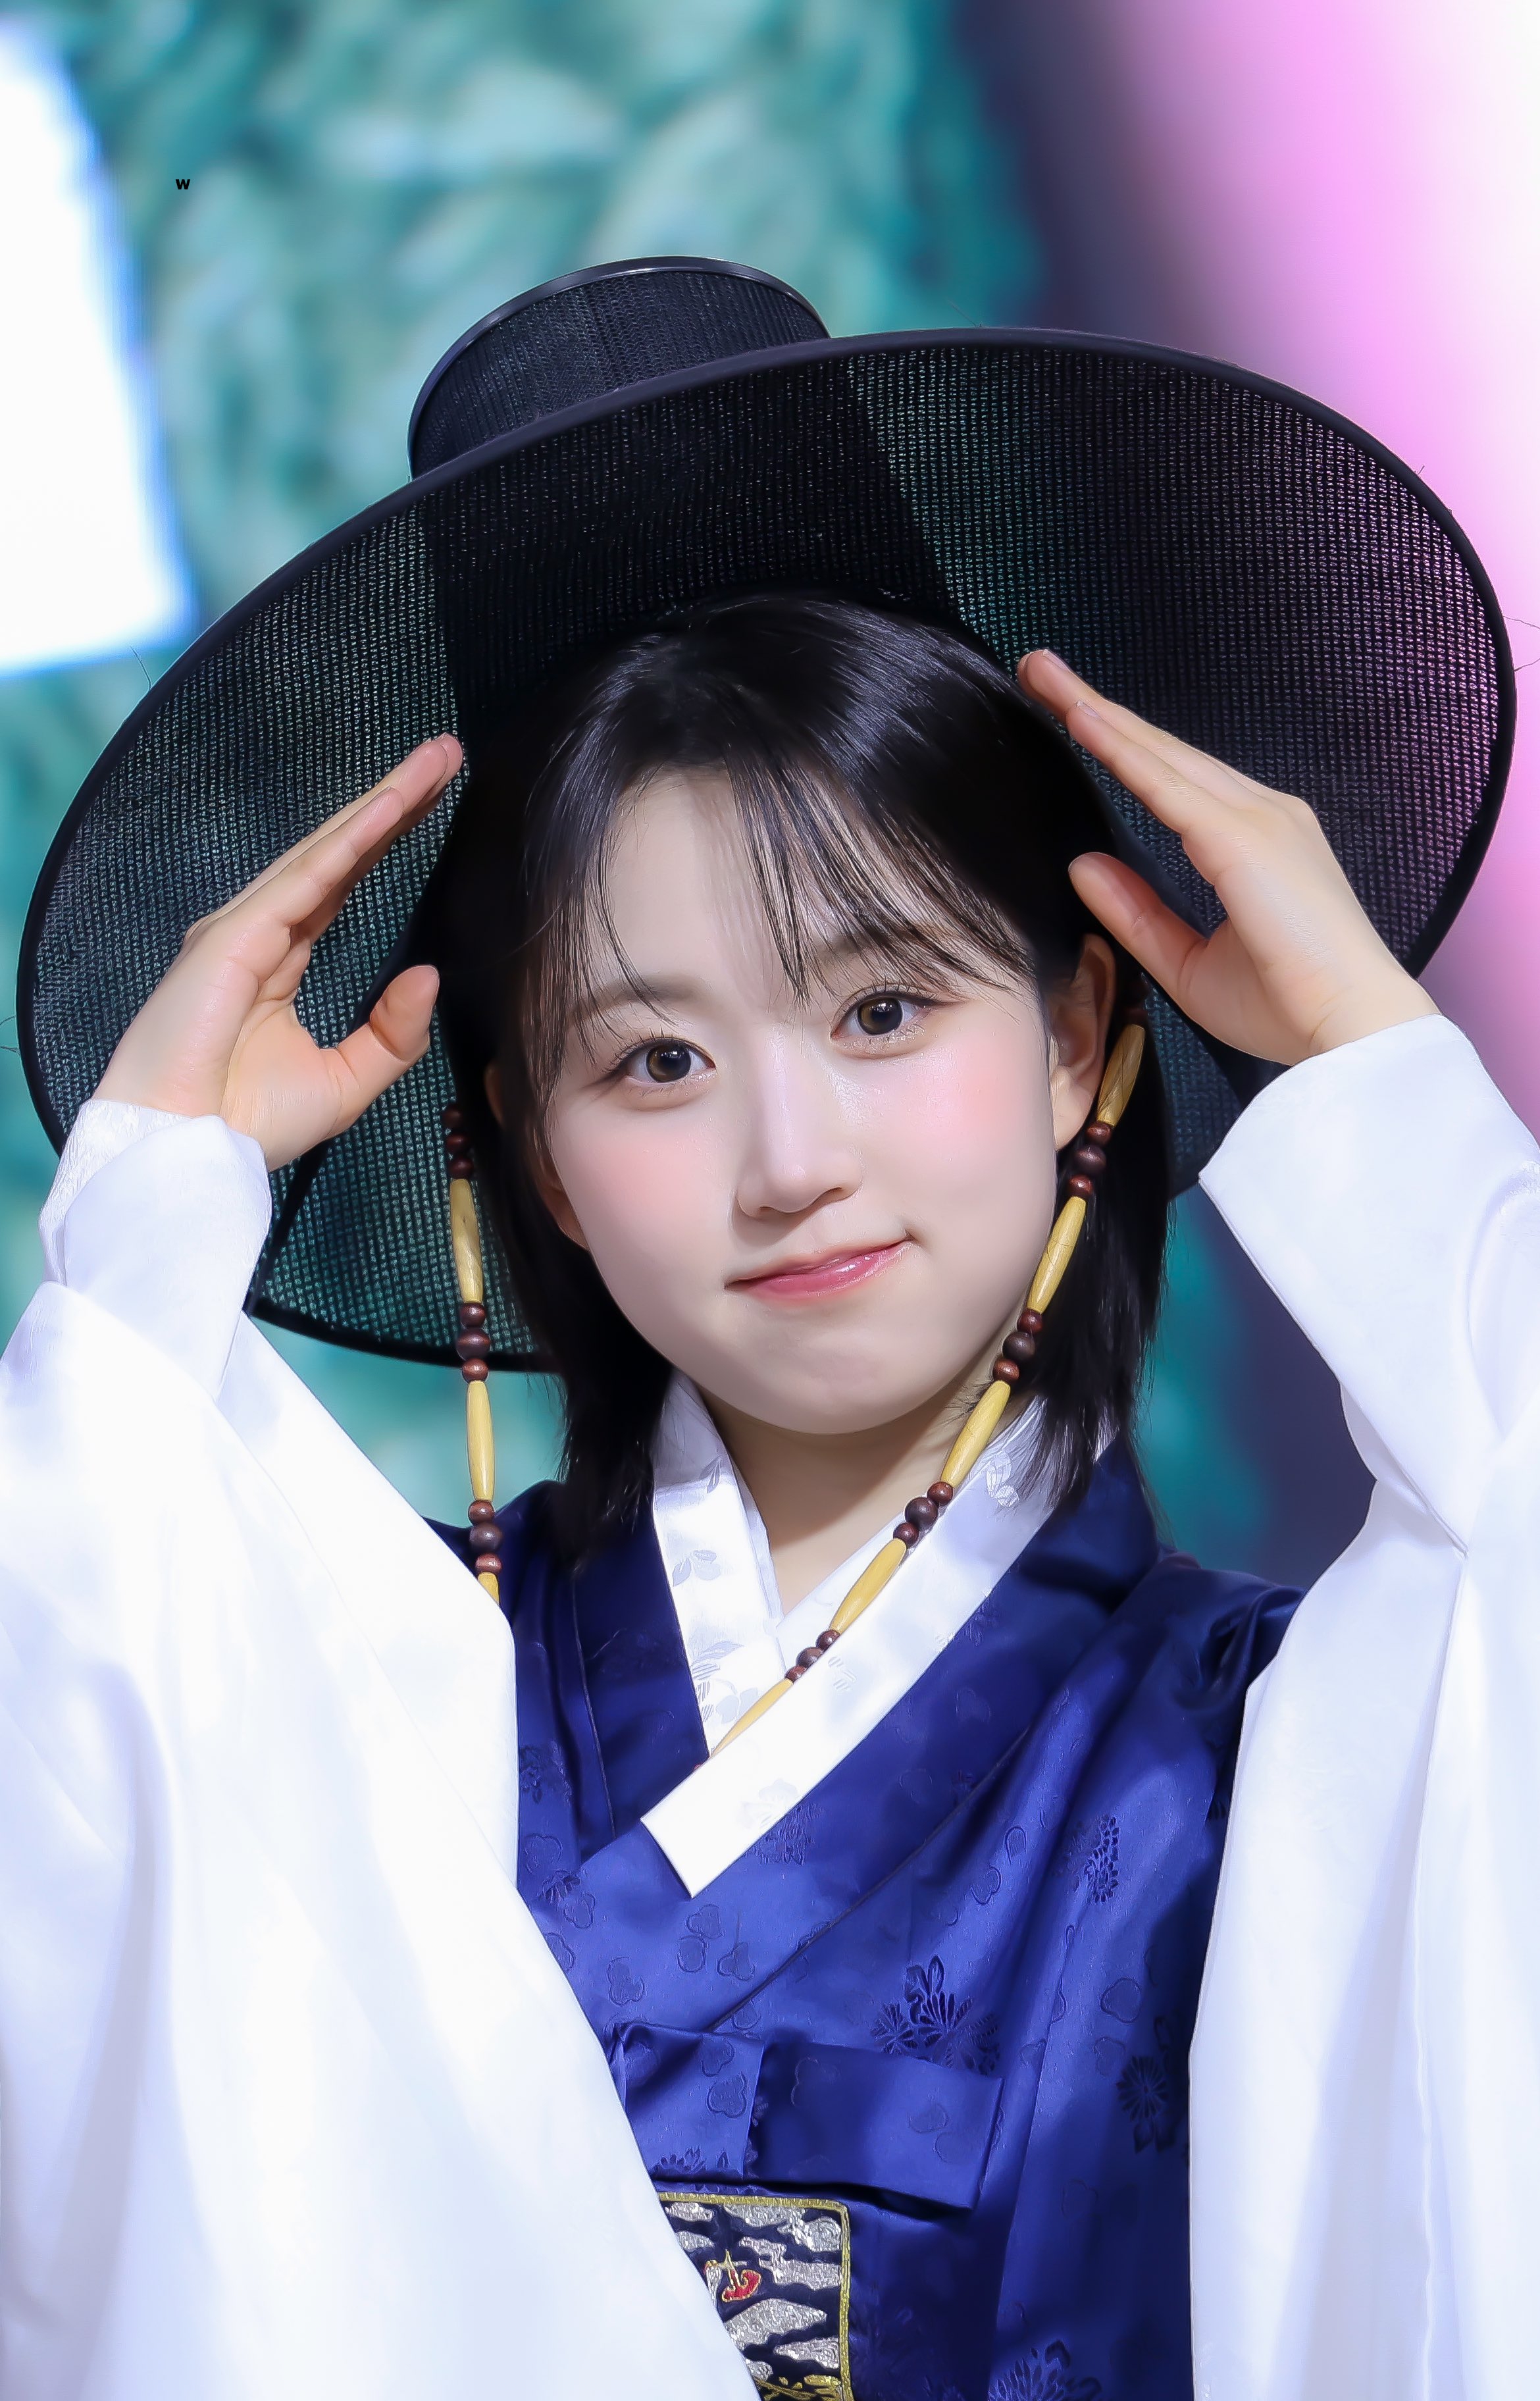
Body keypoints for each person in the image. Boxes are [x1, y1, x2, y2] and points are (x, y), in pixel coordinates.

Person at [2, 261, 1533, 2401]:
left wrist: (1378, 1074)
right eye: (652, 1062)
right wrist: (152, 1222)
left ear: (1080, 1031)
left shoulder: (1292, 1748)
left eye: (884, 1008)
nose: (790, 1160)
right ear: (532, 1154)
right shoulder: (317, 1713)